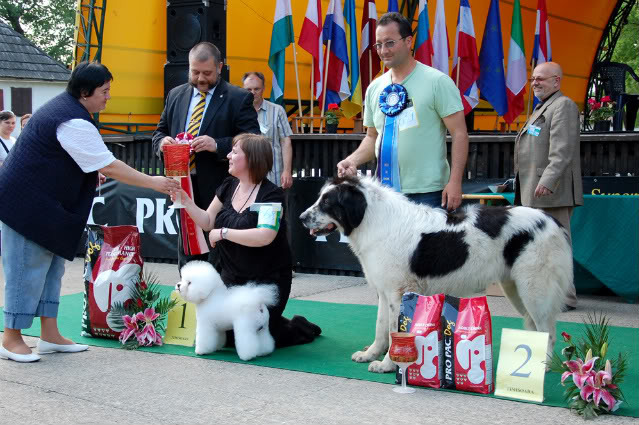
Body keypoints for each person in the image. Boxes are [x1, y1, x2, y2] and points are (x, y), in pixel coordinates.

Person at [0, 62, 180, 363]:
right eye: (104, 92)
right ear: (85, 93)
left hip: (48, 207)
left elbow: (66, 158)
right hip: (25, 207)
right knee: (25, 270)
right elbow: (108, 164)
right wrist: (154, 182)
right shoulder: (73, 120)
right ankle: (10, 339)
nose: (108, 98)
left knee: (51, 270)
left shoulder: (68, 110)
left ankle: (49, 335)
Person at [173, 133, 321, 348]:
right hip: (231, 277)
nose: (228, 156)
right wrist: (185, 200)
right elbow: (206, 221)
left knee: (254, 331)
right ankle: (276, 322)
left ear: (251, 159)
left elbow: (265, 236)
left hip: (268, 278)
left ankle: (299, 327)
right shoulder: (227, 186)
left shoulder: (272, 195)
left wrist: (223, 232)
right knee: (229, 335)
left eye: (234, 152)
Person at [336, 12, 469, 210]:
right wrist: (351, 160)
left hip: (429, 193)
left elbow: (459, 134)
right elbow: (373, 137)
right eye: (378, 44)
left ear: (409, 41)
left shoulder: (438, 81)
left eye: (390, 43)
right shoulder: (374, 87)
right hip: (385, 193)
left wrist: (455, 181)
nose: (383, 50)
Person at [152, 42, 260, 270]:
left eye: (207, 73)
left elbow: (253, 140)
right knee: (188, 252)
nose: (200, 78)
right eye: (195, 72)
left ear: (220, 67)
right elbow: (159, 132)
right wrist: (163, 143)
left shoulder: (238, 97)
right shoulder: (175, 95)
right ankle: (189, 297)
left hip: (220, 188)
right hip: (182, 186)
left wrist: (218, 145)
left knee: (219, 254)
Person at [514, 61, 583, 310]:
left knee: (557, 245)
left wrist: (547, 180)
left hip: (552, 192)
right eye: (533, 79)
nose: (535, 83)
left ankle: (566, 298)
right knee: (543, 246)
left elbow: (563, 150)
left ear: (557, 81)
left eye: (541, 79)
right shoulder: (542, 107)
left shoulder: (563, 105)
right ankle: (550, 296)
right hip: (535, 189)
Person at [242, 71, 293, 189]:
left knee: (274, 207)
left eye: (257, 89)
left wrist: (287, 171)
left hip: (273, 176)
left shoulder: (277, 110)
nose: (253, 93)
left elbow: (286, 142)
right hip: (246, 176)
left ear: (264, 88)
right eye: (248, 89)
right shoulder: (237, 111)